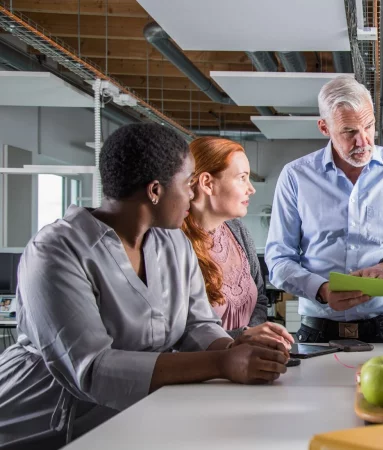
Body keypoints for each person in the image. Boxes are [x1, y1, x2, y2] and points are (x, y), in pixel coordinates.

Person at [0, 124, 288, 449]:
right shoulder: (56, 251)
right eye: (188, 184)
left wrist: (232, 350)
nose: (194, 196)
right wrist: (222, 363)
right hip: (38, 423)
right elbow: (93, 368)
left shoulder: (173, 240)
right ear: (155, 191)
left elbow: (197, 324)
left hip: (124, 421)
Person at [265, 75, 383, 343]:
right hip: (318, 331)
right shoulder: (296, 177)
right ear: (324, 127)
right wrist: (322, 290)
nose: (363, 141)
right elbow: (278, 260)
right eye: (349, 131)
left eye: (369, 126)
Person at [182, 137, 293, 349]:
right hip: (201, 370)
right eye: (242, 178)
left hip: (245, 365)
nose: (251, 189)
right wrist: (241, 338)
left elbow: (260, 298)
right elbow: (180, 333)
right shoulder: (173, 243)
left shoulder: (238, 231)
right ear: (207, 183)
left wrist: (253, 337)